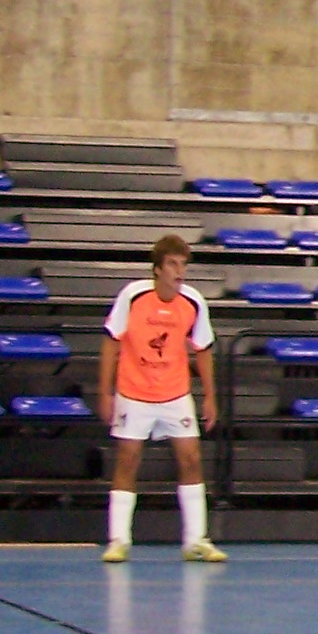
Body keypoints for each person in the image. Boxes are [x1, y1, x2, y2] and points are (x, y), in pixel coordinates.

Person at [98, 234, 224, 565]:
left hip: (175, 393)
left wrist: (210, 396)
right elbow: (111, 341)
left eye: (183, 265)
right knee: (127, 460)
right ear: (157, 269)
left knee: (191, 459)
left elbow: (203, 349)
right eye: (172, 264)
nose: (179, 272)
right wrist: (105, 392)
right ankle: (118, 540)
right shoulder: (133, 296)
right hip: (134, 392)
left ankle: (196, 540)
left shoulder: (193, 301)